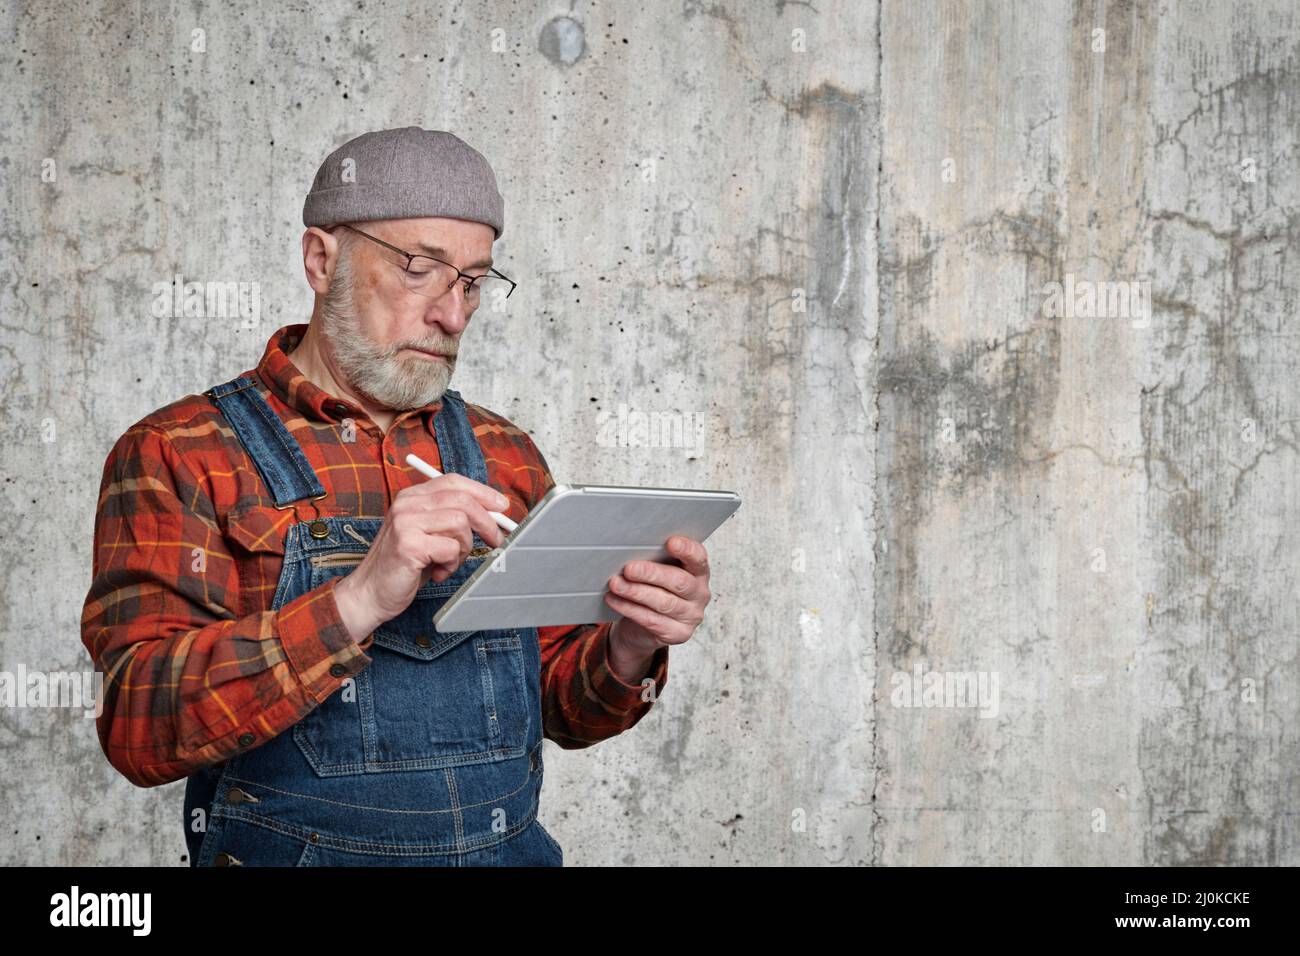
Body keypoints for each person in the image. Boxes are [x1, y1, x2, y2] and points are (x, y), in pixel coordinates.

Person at [80, 127, 715, 866]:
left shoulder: (505, 455)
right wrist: (358, 600)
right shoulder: (180, 451)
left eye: (473, 283)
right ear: (323, 260)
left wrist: (634, 640)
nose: (452, 316)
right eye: (421, 269)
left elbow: (557, 711)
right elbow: (137, 729)